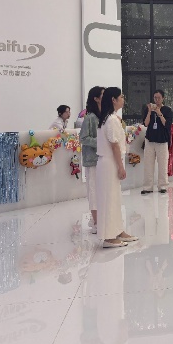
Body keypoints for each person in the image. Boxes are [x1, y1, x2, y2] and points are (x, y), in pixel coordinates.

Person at [96, 88, 138, 248]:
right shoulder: (111, 120)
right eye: (121, 97)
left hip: (109, 162)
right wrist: (121, 167)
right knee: (109, 200)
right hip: (109, 163)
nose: (123, 99)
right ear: (113, 100)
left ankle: (118, 230)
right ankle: (108, 237)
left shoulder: (110, 118)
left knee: (114, 199)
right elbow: (114, 146)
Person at [80, 86, 104, 234]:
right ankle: (96, 222)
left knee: (102, 191)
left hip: (103, 159)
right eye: (102, 95)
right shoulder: (90, 117)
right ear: (96, 98)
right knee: (94, 191)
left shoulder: (104, 116)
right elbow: (83, 138)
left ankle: (101, 219)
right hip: (92, 160)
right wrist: (100, 142)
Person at [141, 90, 173, 195]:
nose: (157, 100)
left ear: (163, 98)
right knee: (148, 164)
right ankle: (148, 187)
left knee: (163, 164)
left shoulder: (167, 110)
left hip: (162, 140)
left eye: (159, 98)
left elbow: (167, 125)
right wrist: (149, 112)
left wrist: (159, 113)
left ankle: (162, 186)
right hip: (150, 140)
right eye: (155, 98)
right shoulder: (148, 109)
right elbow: (146, 124)